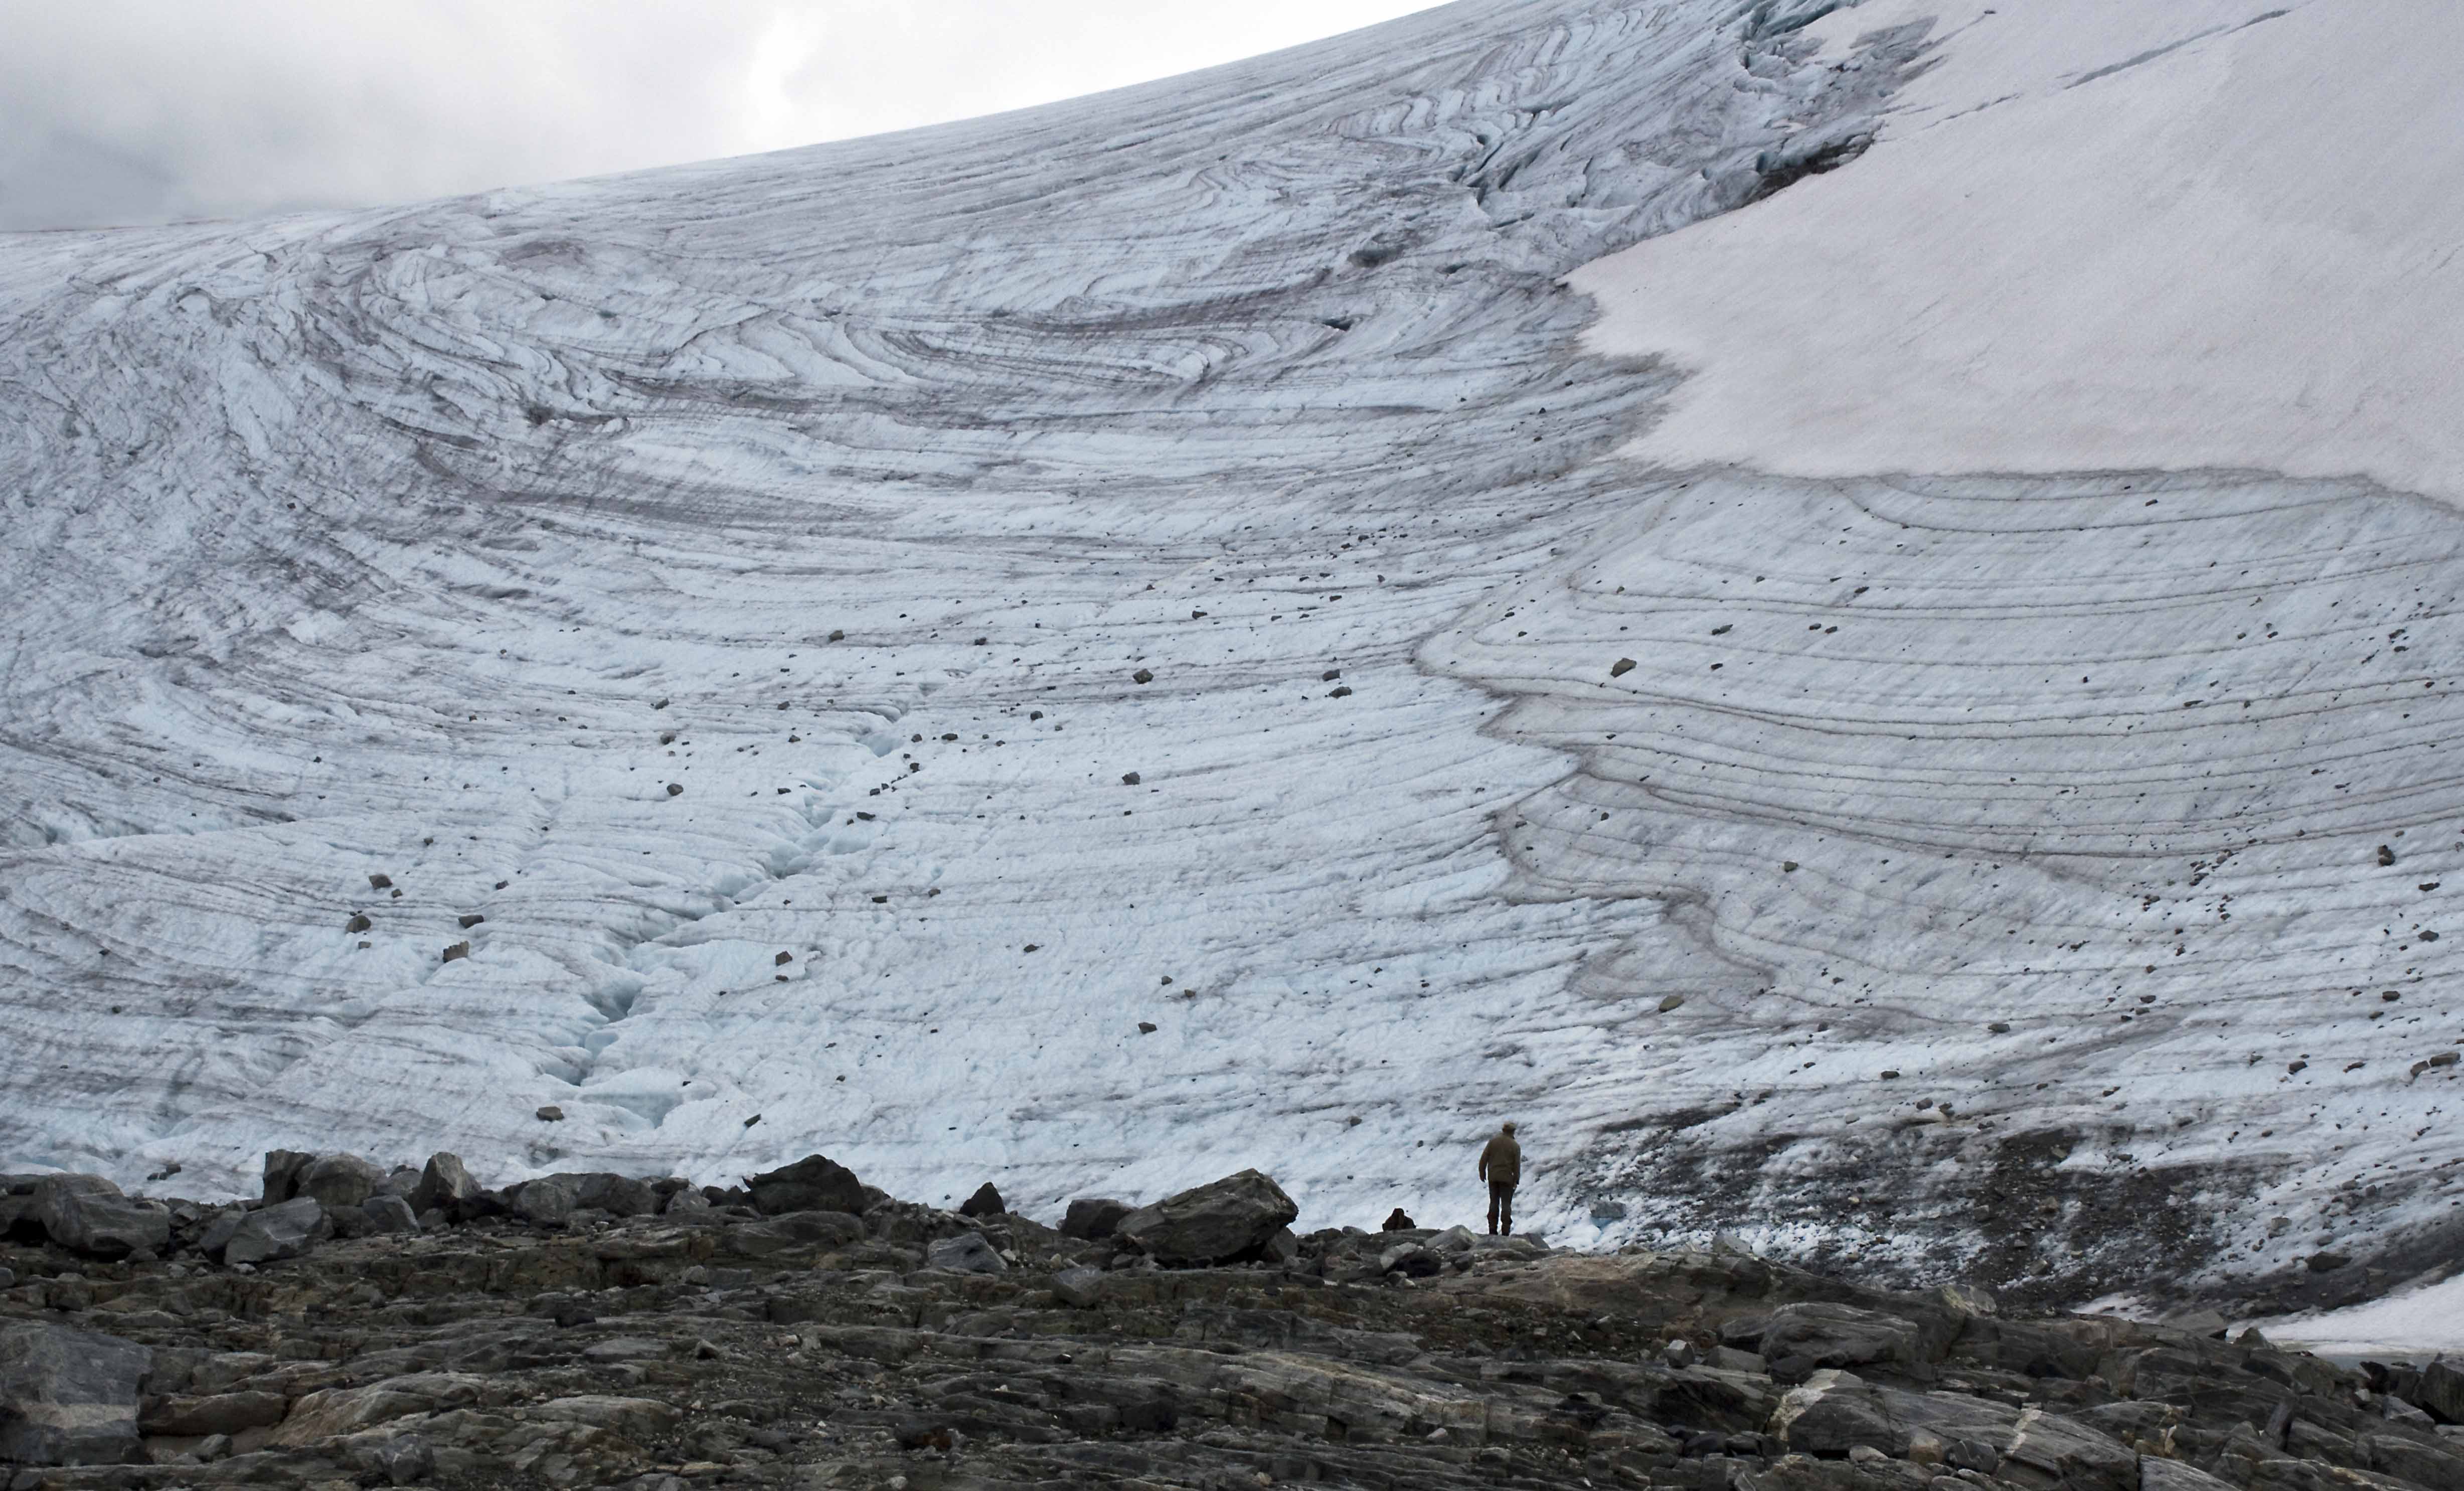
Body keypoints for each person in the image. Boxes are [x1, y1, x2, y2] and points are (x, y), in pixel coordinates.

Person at [1479, 1121, 1521, 1235]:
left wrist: (1482, 1172)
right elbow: (1517, 1165)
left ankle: (1492, 1229)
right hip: (1507, 1178)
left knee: (1494, 1202)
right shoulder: (1515, 1146)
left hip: (1493, 1177)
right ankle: (1505, 1230)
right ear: (1513, 1131)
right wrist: (1516, 1179)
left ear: (1503, 1130)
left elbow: (1484, 1158)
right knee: (1506, 1204)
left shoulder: (1493, 1142)